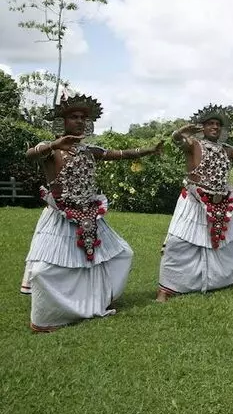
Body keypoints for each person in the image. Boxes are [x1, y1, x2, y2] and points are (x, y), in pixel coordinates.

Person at [22, 93, 162, 331]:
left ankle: (95, 299)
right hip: (60, 218)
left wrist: (149, 150)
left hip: (91, 216)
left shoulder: (89, 150)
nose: (79, 121)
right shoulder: (51, 151)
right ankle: (46, 318)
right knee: (44, 271)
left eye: (83, 118)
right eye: (73, 117)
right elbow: (29, 154)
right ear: (62, 121)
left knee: (122, 254)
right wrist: (56, 144)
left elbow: (120, 154)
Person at [156, 104, 233, 302]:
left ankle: (222, 280)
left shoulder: (226, 150)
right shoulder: (193, 144)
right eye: (210, 123)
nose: (215, 127)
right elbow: (177, 140)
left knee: (232, 238)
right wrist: (180, 132)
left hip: (219, 204)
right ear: (202, 127)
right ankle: (166, 288)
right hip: (194, 201)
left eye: (218, 124)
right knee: (178, 242)